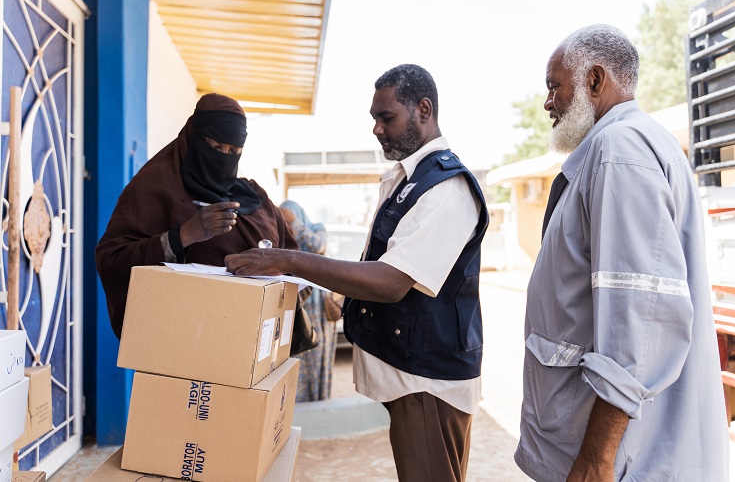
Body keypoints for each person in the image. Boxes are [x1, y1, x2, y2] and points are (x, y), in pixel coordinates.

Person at [226, 64, 488, 482]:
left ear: (424, 110)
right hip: (411, 376)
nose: (377, 129)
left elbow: (390, 281)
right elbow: (378, 262)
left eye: (387, 118)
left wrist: (289, 260)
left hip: (428, 383)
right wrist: (341, 300)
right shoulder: (408, 180)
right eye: (374, 119)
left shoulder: (446, 189)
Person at [515, 24, 729, 481]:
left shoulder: (619, 150)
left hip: (620, 461)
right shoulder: (618, 147)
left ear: (594, 80)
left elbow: (641, 316)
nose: (548, 103)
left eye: (555, 86)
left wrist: (596, 459)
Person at [95, 93, 299, 339]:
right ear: (193, 137)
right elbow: (112, 259)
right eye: (214, 147)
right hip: (186, 342)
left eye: (233, 151)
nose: (223, 157)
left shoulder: (255, 196)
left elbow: (292, 260)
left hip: (252, 340)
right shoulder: (155, 188)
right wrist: (185, 235)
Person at [278, 200, 336, 401]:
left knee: (318, 356)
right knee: (298, 359)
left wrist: (295, 223)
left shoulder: (316, 229)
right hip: (296, 309)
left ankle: (319, 401)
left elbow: (318, 246)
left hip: (318, 311)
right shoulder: (282, 236)